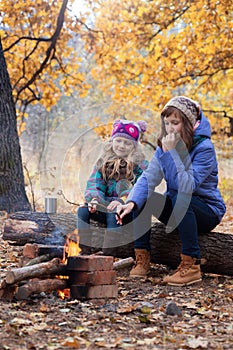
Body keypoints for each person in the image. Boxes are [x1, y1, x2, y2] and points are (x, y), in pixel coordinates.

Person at [116, 96, 226, 285]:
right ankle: (142, 257)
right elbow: (148, 178)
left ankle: (191, 265)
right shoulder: (163, 148)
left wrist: (175, 153)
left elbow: (187, 186)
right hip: (178, 208)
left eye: (175, 123)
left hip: (206, 212)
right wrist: (131, 203)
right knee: (146, 198)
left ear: (188, 124)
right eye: (167, 123)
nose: (169, 128)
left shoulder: (204, 149)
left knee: (180, 197)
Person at [77, 119, 149, 253]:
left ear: (134, 146)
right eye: (118, 141)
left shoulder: (140, 165)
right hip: (104, 205)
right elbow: (95, 182)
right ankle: (84, 250)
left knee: (113, 213)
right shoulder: (103, 162)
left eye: (127, 143)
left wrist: (121, 200)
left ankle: (108, 254)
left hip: (127, 210)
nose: (121, 145)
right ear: (112, 141)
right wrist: (94, 200)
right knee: (82, 211)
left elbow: (140, 187)